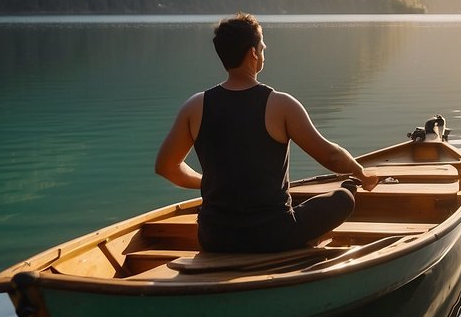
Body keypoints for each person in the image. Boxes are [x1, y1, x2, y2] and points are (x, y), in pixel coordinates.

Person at [155, 13, 378, 253]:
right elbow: (330, 157)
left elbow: (166, 167)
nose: (264, 49)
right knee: (344, 198)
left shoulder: (195, 106)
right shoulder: (280, 105)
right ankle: (305, 243)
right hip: (272, 235)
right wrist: (361, 173)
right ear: (253, 53)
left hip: (214, 237)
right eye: (262, 45)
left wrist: (210, 183)